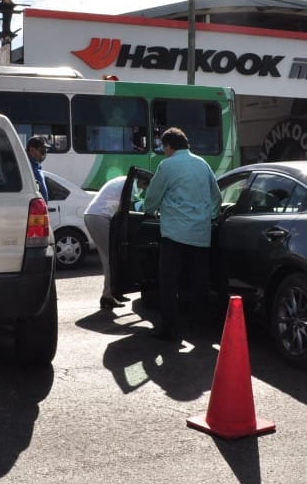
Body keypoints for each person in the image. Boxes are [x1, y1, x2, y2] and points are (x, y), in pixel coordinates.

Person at [142, 127, 221, 341]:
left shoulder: (167, 165)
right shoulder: (202, 164)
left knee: (168, 283)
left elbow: (153, 196)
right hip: (200, 234)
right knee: (199, 283)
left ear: (169, 146)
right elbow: (217, 196)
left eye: (163, 147)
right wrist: (210, 217)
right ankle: (200, 327)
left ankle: (169, 329)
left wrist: (148, 209)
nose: (163, 151)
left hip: (174, 234)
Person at [84, 175, 133, 309]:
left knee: (111, 257)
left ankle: (114, 292)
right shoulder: (131, 184)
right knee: (109, 258)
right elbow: (133, 207)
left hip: (96, 216)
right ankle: (107, 296)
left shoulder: (124, 180)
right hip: (99, 217)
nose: (144, 188)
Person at [26, 135, 50, 202]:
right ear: (32, 150)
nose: (45, 154)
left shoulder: (35, 167)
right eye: (42, 151)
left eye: (46, 151)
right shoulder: (29, 169)